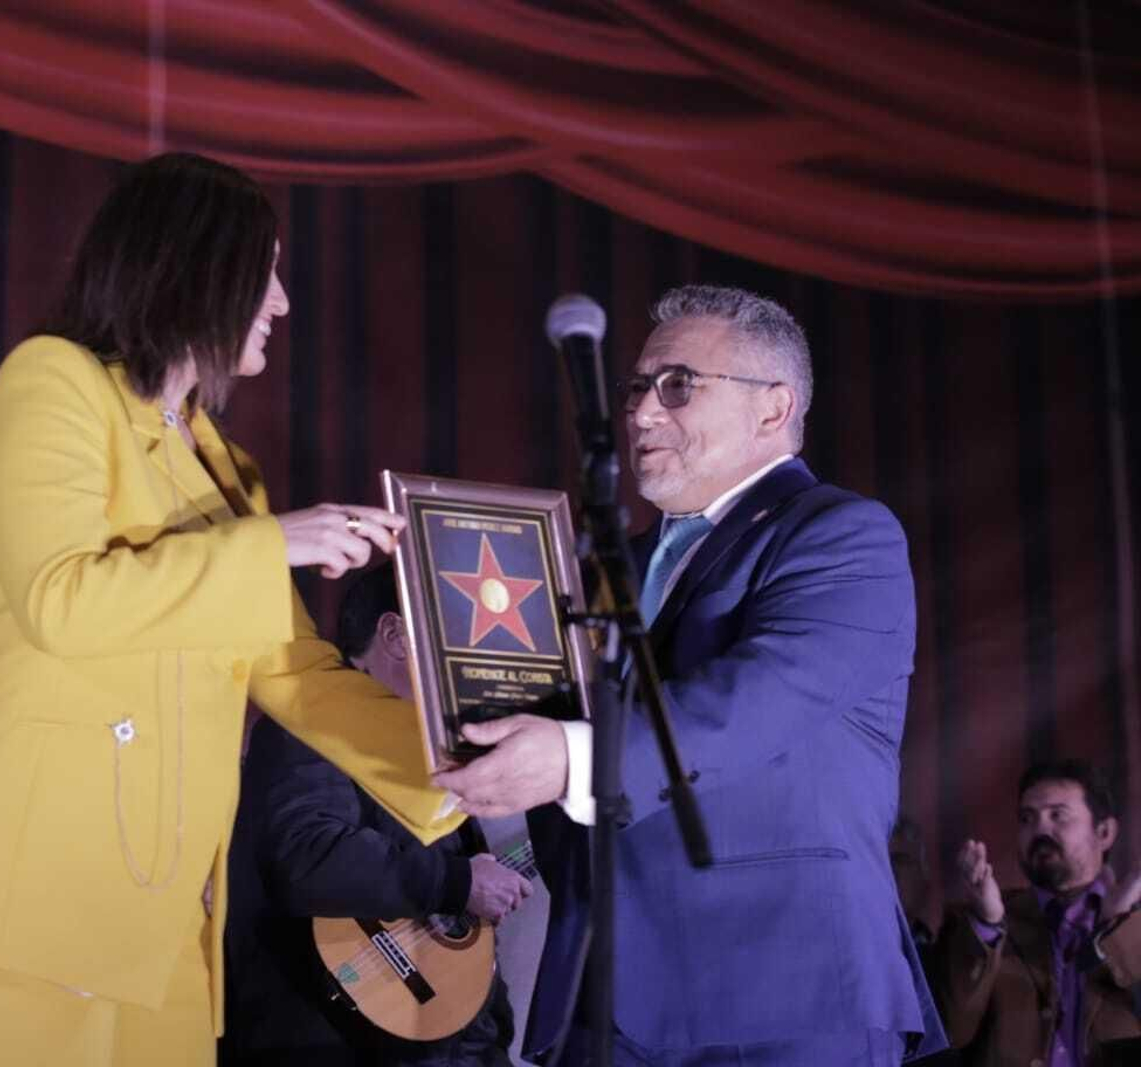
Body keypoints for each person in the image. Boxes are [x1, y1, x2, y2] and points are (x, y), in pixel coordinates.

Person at [0, 152, 460, 1066]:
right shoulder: (51, 382)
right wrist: (275, 543)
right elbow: (61, 598)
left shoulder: (226, 469)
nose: (280, 302)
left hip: (166, 926)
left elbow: (292, 671)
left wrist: (457, 760)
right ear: (197, 266)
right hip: (28, 897)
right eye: (265, 272)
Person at [435, 285, 944, 1064]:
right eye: (636, 386)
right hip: (607, 1000)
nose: (639, 413)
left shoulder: (844, 535)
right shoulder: (614, 564)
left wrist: (570, 756)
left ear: (772, 408)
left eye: (677, 385)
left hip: (777, 986)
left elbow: (753, 704)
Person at [222, 564, 530, 1066]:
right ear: (396, 635)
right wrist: (456, 881)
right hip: (333, 1041)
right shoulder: (311, 726)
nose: (481, 661)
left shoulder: (436, 751)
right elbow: (309, 855)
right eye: (464, 635)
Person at [936, 759, 1141, 1064]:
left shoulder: (1135, 922)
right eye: (1027, 818)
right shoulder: (982, 921)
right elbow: (951, 1033)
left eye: (1058, 815)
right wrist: (988, 922)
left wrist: (1117, 927)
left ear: (1104, 832)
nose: (1040, 829)